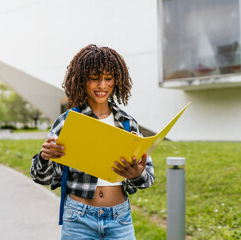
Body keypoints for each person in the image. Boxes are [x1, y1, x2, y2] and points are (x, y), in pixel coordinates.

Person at [30, 44, 155, 240]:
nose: (102, 86)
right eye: (94, 78)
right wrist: (45, 158)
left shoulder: (127, 123)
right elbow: (42, 178)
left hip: (120, 219)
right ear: (82, 80)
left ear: (117, 80)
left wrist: (137, 173)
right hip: (79, 219)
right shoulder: (68, 122)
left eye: (108, 78)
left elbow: (147, 179)